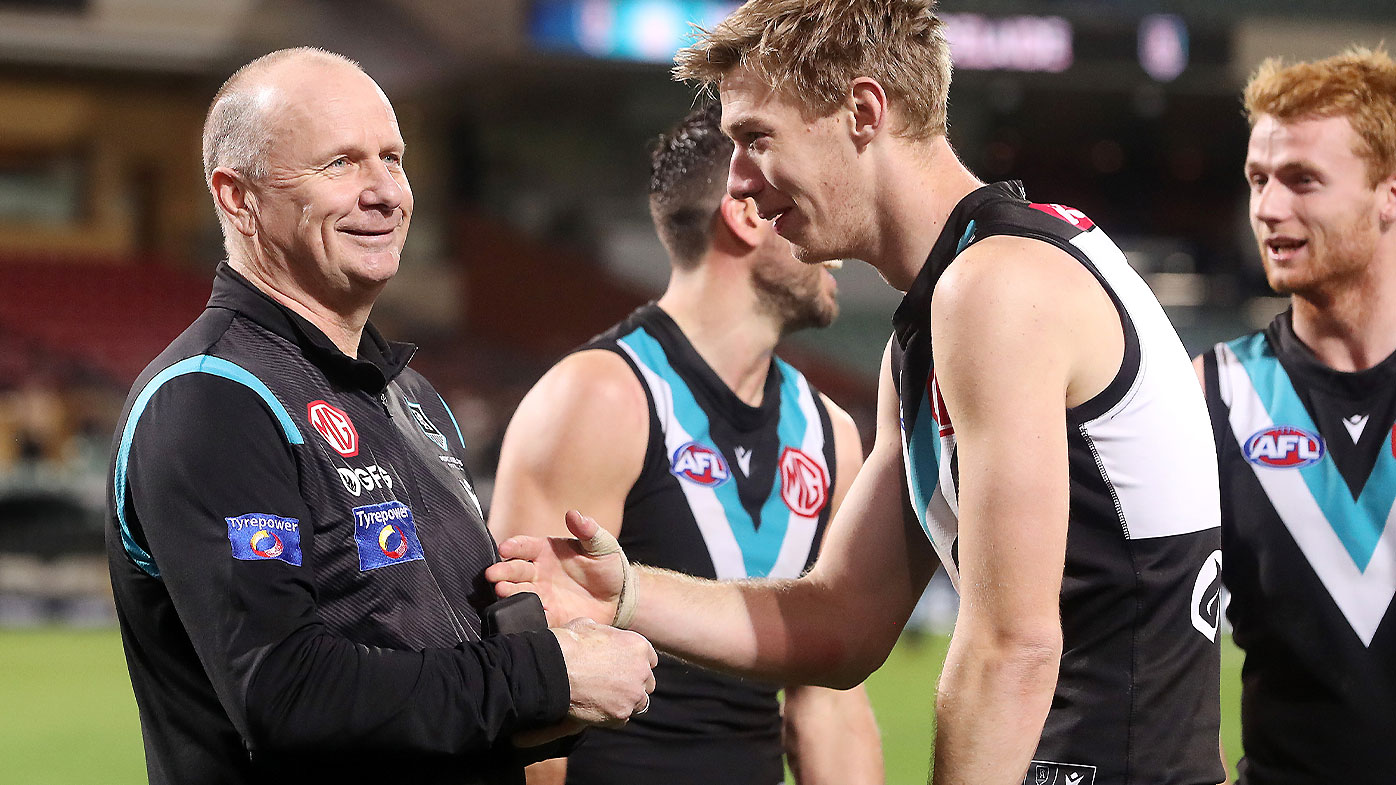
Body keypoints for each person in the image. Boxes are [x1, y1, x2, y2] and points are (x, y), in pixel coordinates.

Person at [488, 2, 1225, 784]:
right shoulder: (946, 312)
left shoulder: (995, 286)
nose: (739, 180)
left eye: (755, 137)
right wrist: (627, 591)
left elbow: (1014, 646)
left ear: (863, 112)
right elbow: (842, 616)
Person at [105, 47, 657, 785]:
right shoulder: (211, 398)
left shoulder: (413, 401)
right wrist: (545, 673)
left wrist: (545, 629)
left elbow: (431, 672)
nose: (385, 192)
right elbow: (286, 693)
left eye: (392, 159)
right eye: (339, 164)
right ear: (238, 197)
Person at [489, 100, 884, 785]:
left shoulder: (832, 435)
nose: (842, 239)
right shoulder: (598, 398)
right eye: (812, 193)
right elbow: (526, 686)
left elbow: (829, 703)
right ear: (748, 211)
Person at [1195, 48, 1396, 784]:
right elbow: (1147, 647)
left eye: (1302, 180)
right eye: (1258, 179)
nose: (1268, 207)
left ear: (1389, 193)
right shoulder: (1210, 397)